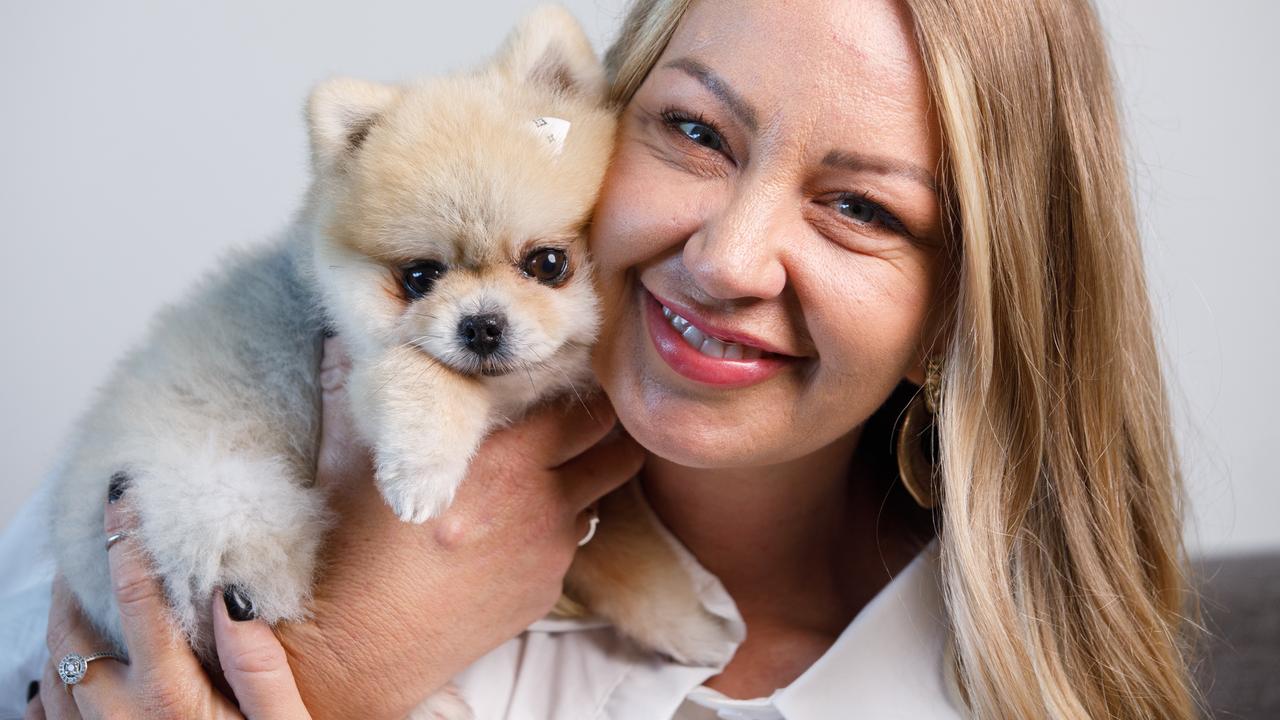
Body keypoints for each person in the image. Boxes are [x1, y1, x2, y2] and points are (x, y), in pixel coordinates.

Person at [9, 0, 1199, 717]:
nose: (730, 256)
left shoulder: (1023, 675)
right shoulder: (182, 444)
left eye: (862, 209)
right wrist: (346, 657)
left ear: (964, 308)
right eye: (692, 131)